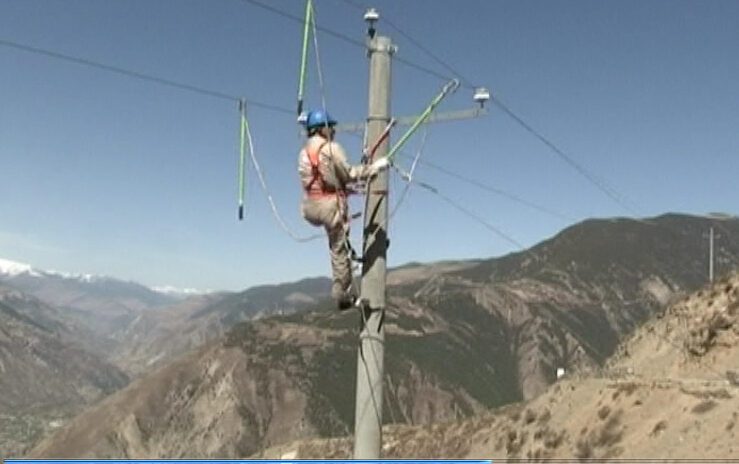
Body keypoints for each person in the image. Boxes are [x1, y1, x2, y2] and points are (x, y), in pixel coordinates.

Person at [297, 109, 388, 310]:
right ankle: (342, 293)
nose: (334, 131)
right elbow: (349, 174)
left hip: (310, 205)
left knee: (336, 244)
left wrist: (348, 188)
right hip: (329, 206)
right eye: (331, 127)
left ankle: (347, 267)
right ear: (322, 128)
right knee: (339, 248)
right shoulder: (330, 149)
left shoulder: (304, 153)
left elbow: (321, 180)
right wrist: (374, 168)